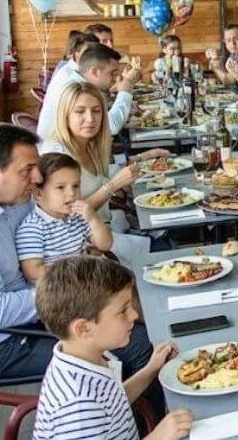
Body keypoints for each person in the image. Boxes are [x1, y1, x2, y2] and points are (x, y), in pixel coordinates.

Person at [0, 125, 163, 416]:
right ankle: (137, 427)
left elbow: (67, 218)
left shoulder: (15, 204)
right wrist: (72, 287)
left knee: (133, 313)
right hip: (10, 340)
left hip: (45, 306)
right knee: (136, 345)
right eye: (27, 170)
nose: (37, 178)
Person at [33, 256, 192, 440]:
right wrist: (157, 437)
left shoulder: (82, 358)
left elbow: (115, 401)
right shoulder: (77, 408)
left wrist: (151, 369)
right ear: (84, 329)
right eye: (123, 311)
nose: (133, 315)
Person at [40, 83, 170, 261]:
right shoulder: (57, 152)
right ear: (65, 114)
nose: (90, 119)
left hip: (106, 228)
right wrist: (113, 185)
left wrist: (144, 157)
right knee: (166, 251)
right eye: (80, 111)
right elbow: (66, 214)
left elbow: (111, 172)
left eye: (96, 111)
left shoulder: (90, 143)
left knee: (167, 235)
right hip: (85, 247)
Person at [16, 152, 112, 283]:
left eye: (76, 186)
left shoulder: (76, 217)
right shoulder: (32, 227)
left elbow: (105, 245)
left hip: (84, 279)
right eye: (61, 187)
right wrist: (77, 268)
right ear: (38, 193)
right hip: (60, 289)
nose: (72, 193)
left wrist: (93, 218)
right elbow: (33, 272)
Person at [38, 43, 137, 142]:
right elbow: (111, 127)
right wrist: (125, 92)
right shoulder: (75, 87)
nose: (115, 78)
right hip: (58, 153)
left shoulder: (75, 73)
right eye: (112, 73)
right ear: (94, 72)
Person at [205, 23, 238, 91]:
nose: (232, 43)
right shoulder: (235, 53)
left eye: (236, 39)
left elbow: (228, 80)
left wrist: (215, 61)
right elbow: (227, 75)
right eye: (228, 40)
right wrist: (216, 62)